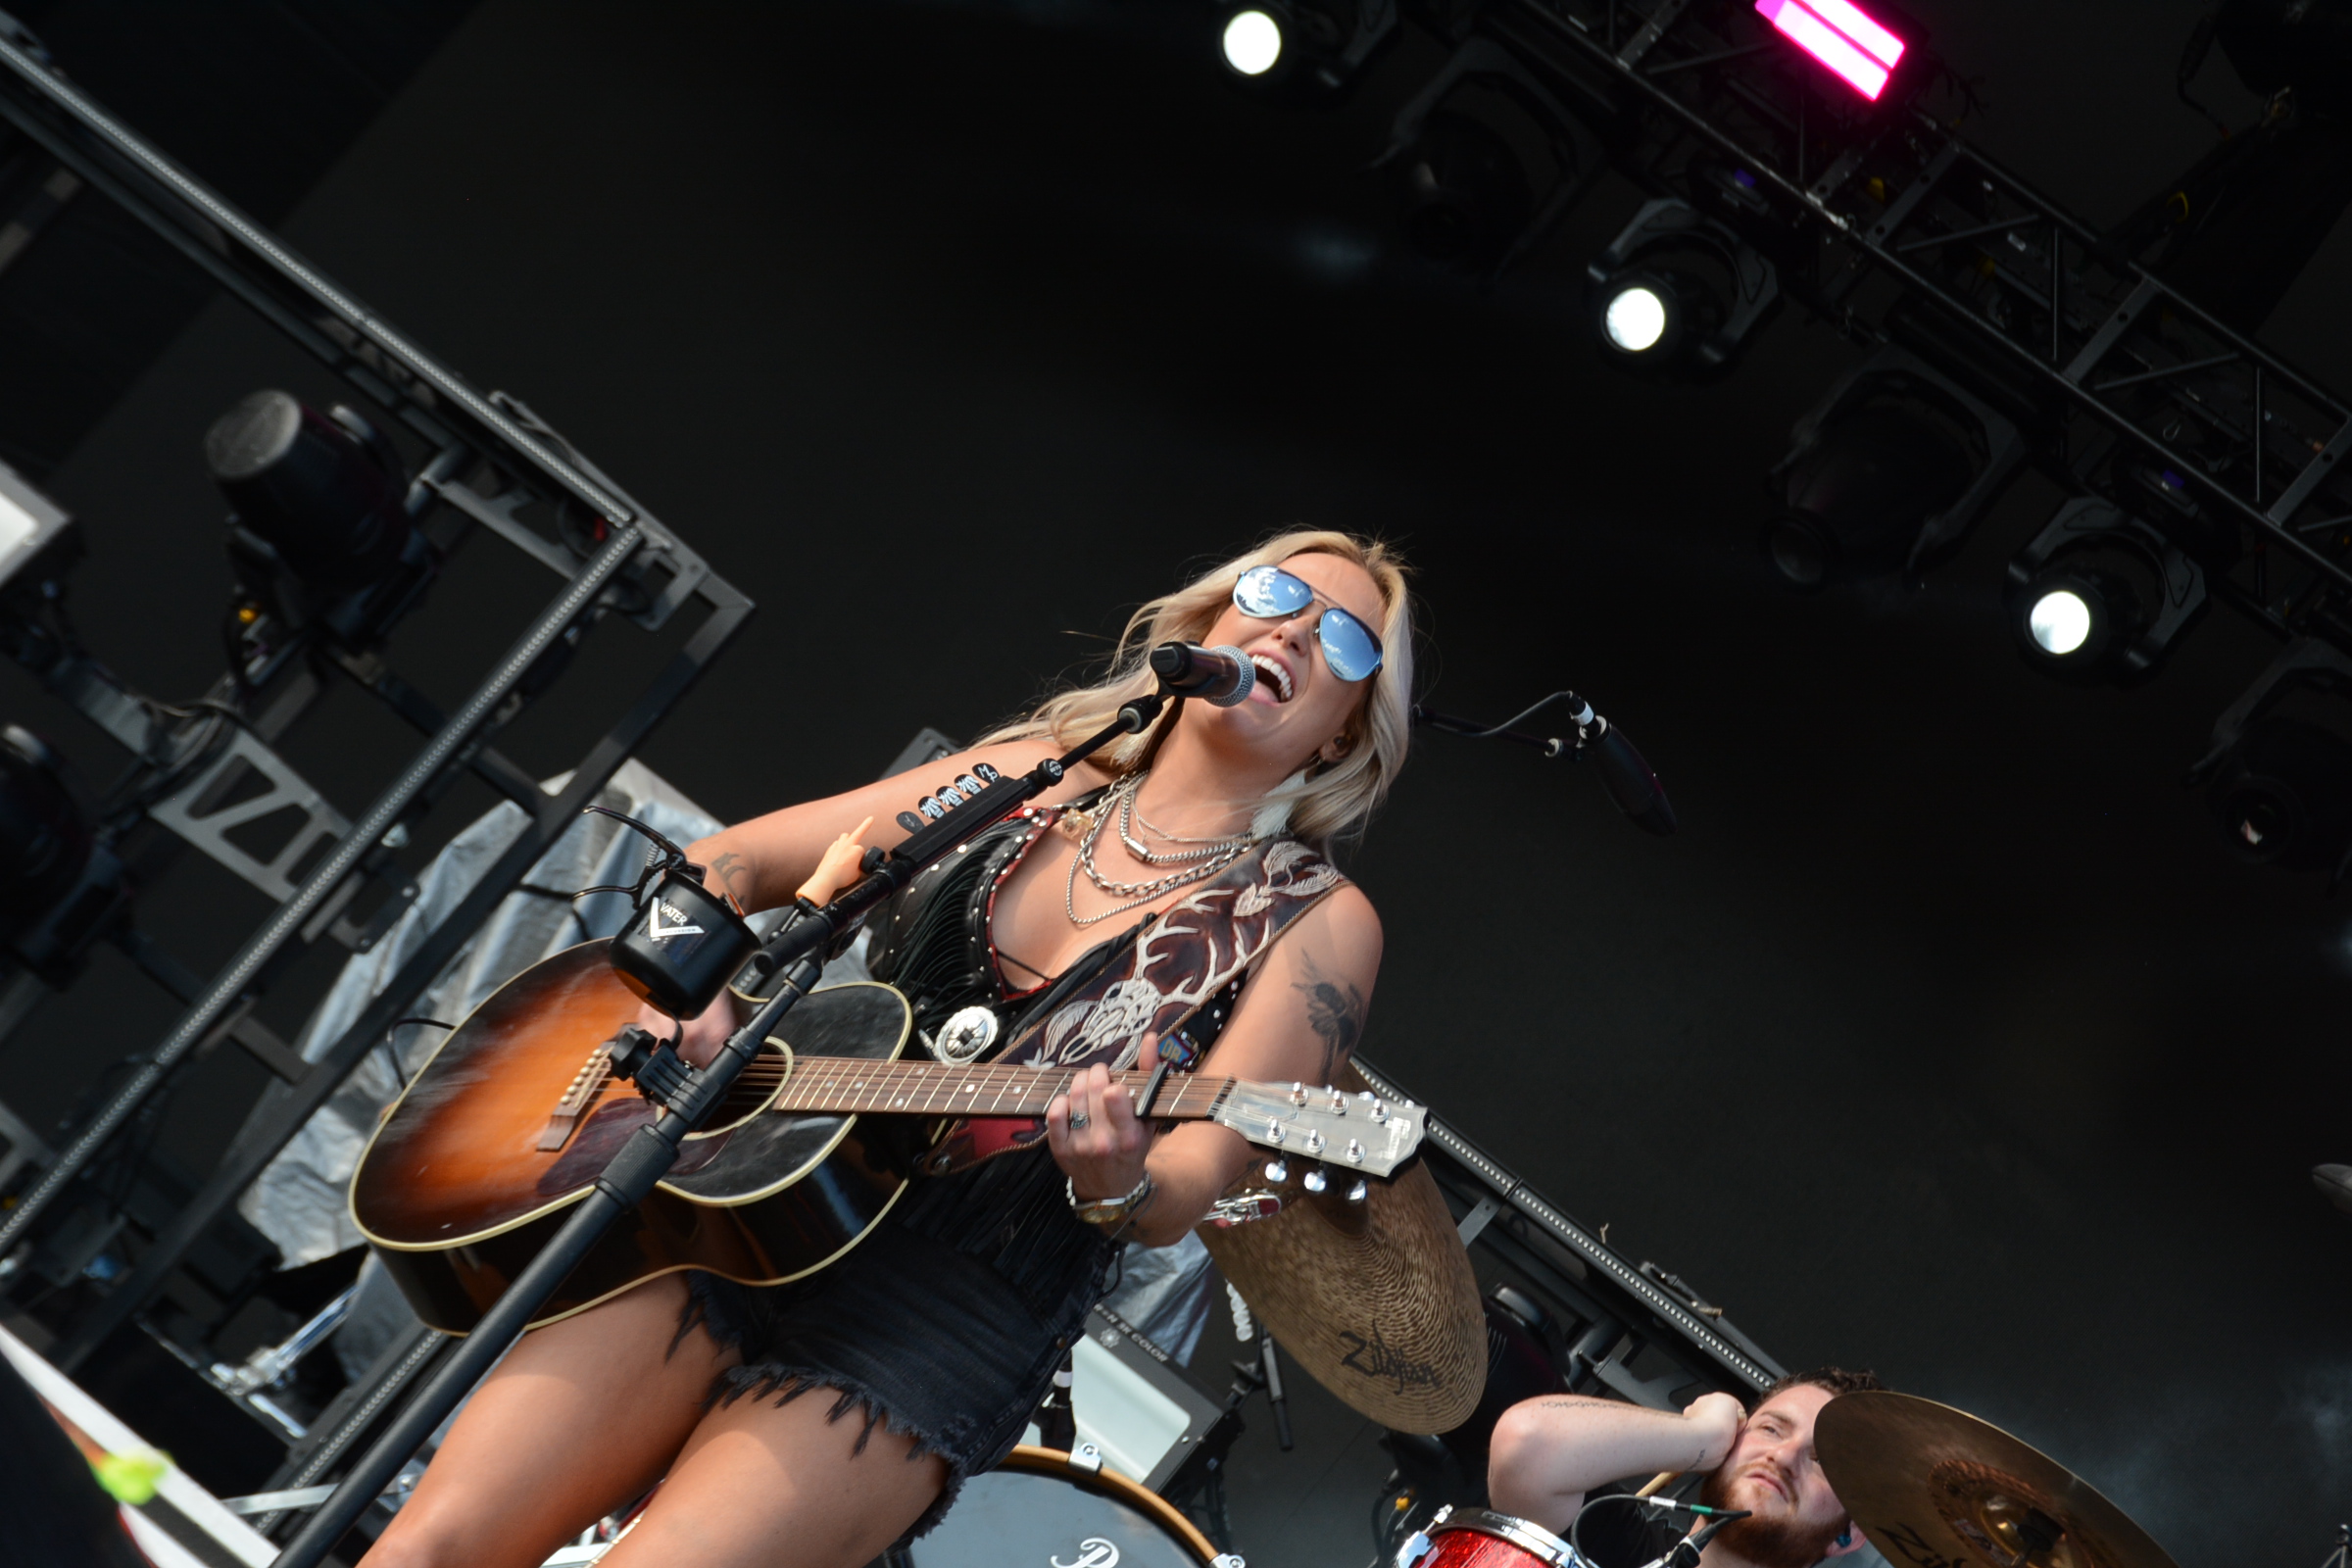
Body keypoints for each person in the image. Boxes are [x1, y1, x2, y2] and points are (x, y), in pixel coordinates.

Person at [363, 530, 1415, 1568]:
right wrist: (686, 992)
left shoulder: (1317, 921)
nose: (1297, 632)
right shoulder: (1037, 773)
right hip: (739, 1199)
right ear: (1212, 623)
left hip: (946, 1305)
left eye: (1346, 642)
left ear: (1341, 737)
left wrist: (1120, 1179)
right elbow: (725, 863)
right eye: (1277, 595)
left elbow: (1188, 1184)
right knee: (431, 1547)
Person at [1485, 1368, 1886, 1568]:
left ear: (1849, 1533)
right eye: (1770, 1429)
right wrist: (1701, 1435)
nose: (1782, 1456)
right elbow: (1525, 1444)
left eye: (1821, 1461)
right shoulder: (1616, 1544)